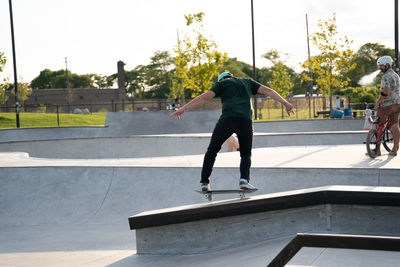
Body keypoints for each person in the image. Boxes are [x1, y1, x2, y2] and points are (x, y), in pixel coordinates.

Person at [171, 72, 294, 191]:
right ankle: (244, 181)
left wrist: (183, 109)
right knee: (246, 153)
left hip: (227, 120)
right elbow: (268, 91)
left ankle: (204, 182)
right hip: (245, 121)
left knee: (212, 150)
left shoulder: (221, 84)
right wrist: (286, 103)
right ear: (231, 77)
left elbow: (205, 97)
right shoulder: (247, 82)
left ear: (221, 80)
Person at [374, 55, 400, 156]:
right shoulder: (396, 75)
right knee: (395, 124)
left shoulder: (386, 76)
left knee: (379, 124)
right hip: (397, 103)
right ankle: (394, 149)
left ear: (387, 65)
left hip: (387, 104)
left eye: (381, 66)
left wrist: (377, 103)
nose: (380, 68)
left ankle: (377, 150)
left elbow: (385, 91)